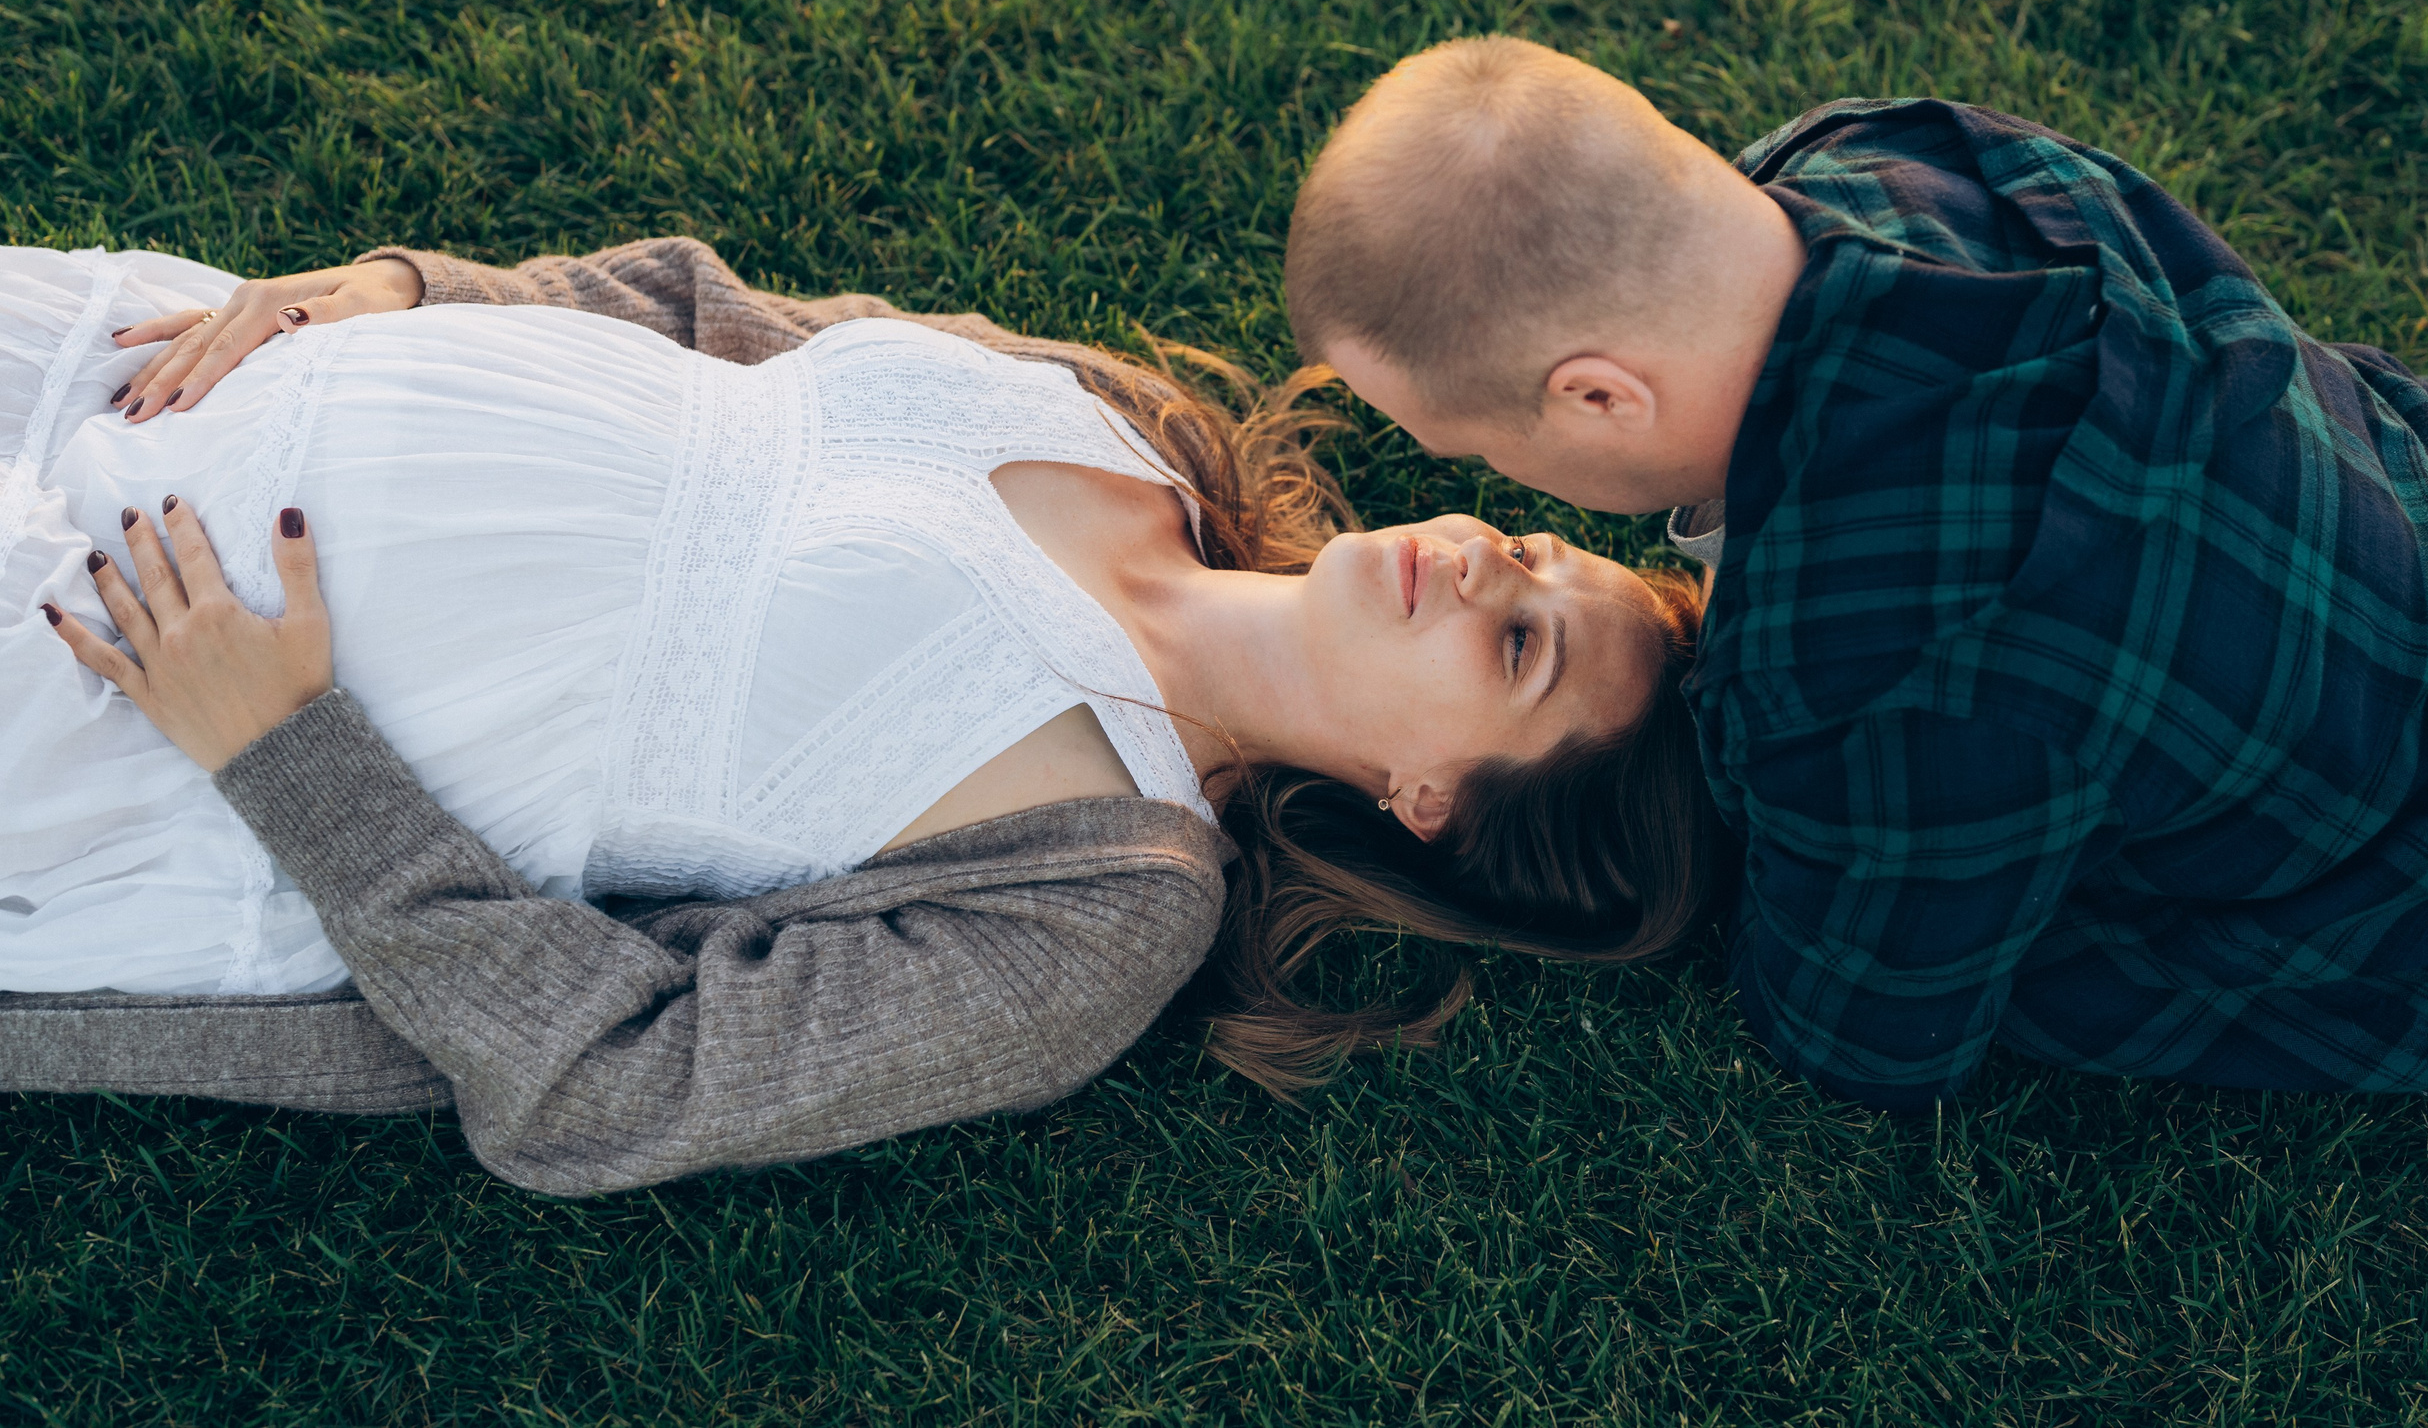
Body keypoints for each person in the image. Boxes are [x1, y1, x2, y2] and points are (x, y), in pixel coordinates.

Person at [0, 237, 1715, 1194]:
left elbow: (615, 1085)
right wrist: (399, 295)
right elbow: (690, 313)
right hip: (132, 370)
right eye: (1545, 552)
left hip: (127, 701)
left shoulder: (1101, 911)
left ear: (1429, 797)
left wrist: (282, 752)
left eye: (1519, 651)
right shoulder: (1131, 426)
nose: (1495, 556)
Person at [1285, 33, 2428, 1112]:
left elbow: (1861, 1031)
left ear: (1599, 395)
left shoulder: (1861, 679)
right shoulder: (1914, 154)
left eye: (1471, 441)